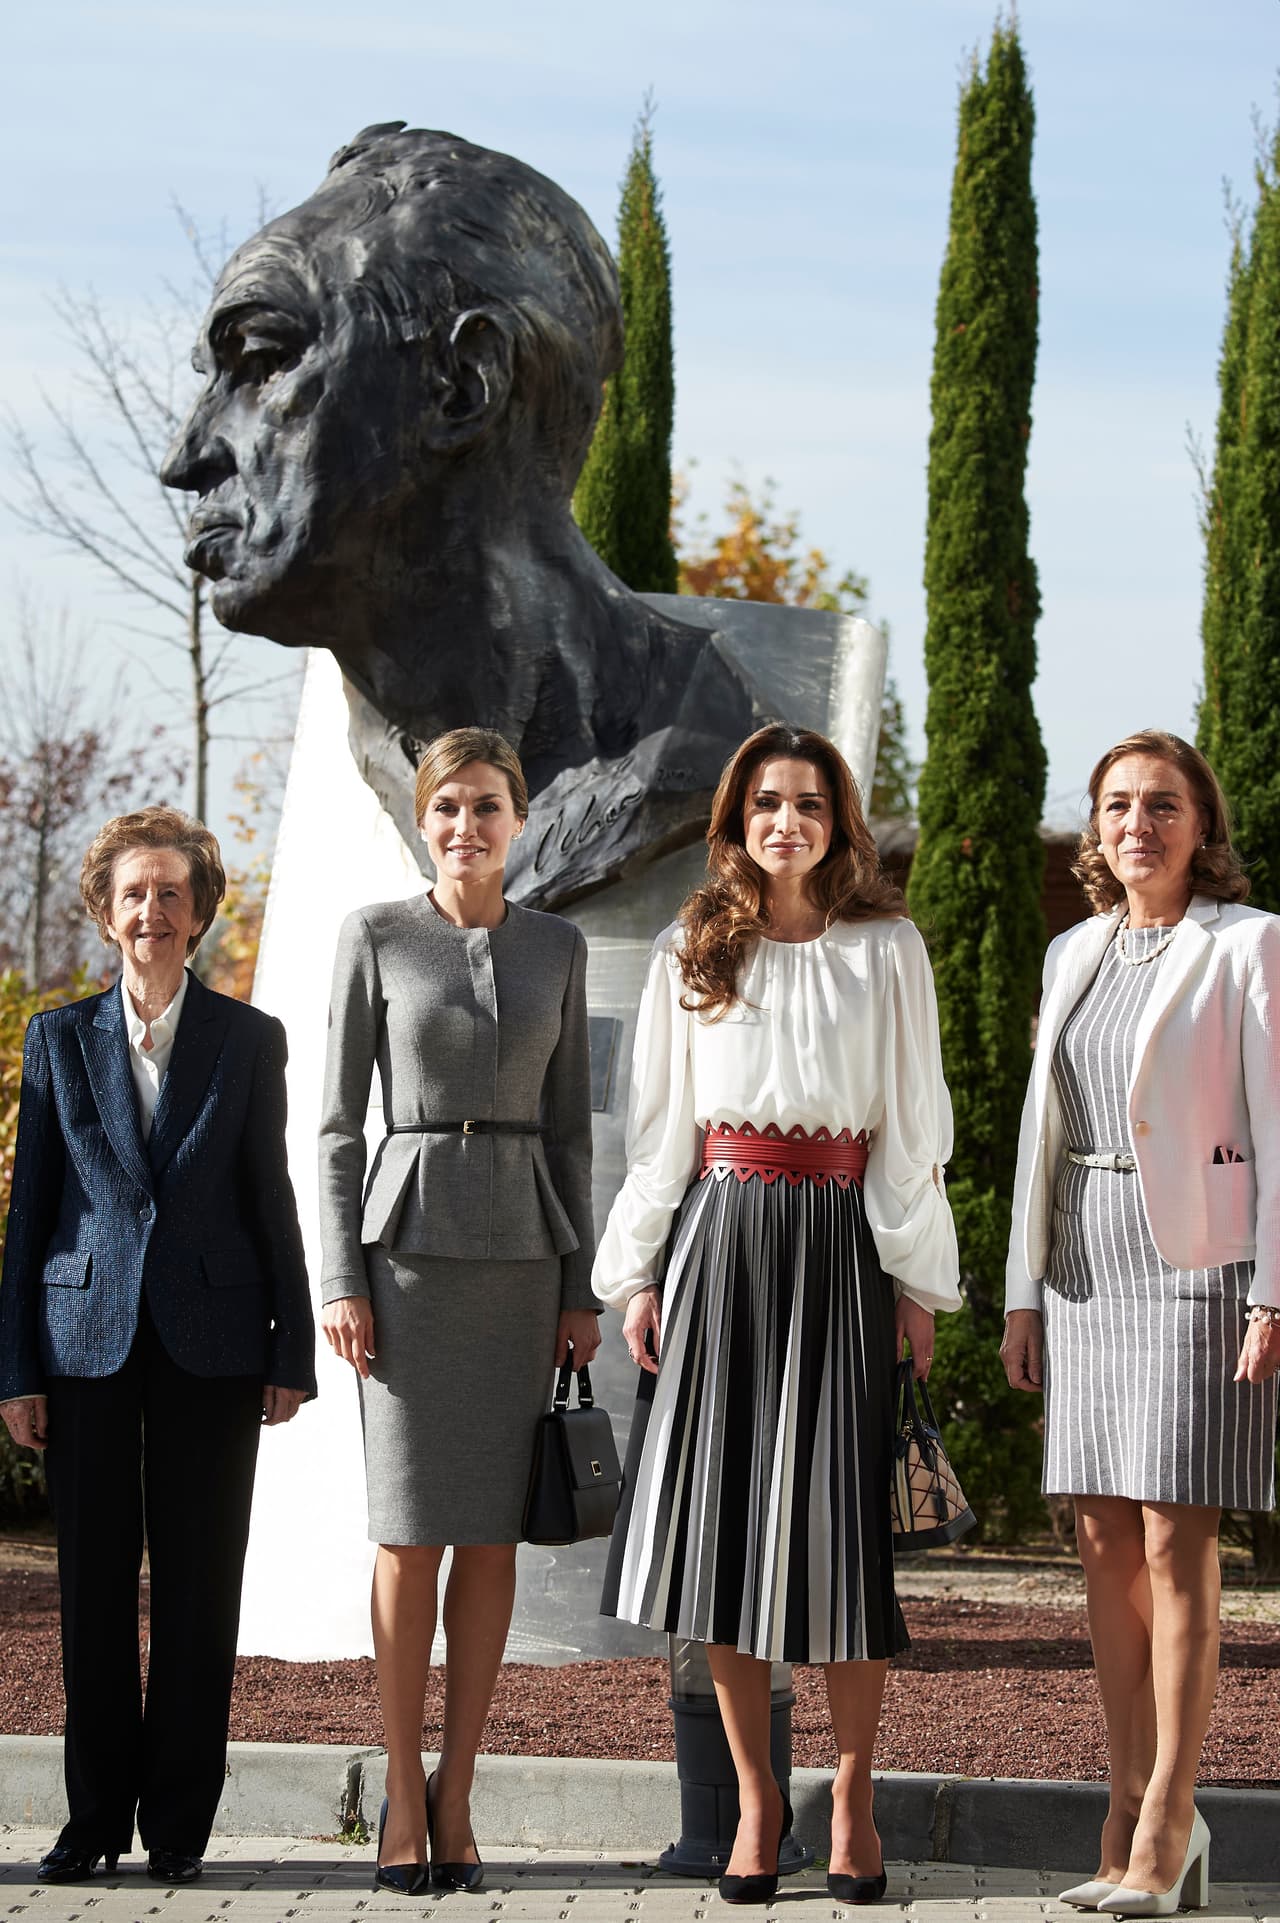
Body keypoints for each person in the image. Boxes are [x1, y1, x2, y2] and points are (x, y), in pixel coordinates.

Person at [159, 123, 759, 909]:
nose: (186, 458)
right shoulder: (378, 750)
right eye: (212, 380)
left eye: (265, 361)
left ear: (463, 383)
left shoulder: (712, 748)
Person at [595, 724, 960, 1908]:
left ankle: (849, 1797)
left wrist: (917, 1281)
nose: (785, 821)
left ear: (838, 818)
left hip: (843, 1247)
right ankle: (757, 1804)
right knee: (725, 1534)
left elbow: (913, 1126)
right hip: (720, 1243)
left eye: (807, 802)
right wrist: (637, 1275)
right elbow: (658, 1135)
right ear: (735, 820)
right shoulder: (690, 950)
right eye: (764, 803)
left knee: (842, 1541)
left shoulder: (886, 948)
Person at [0, 806, 315, 1889]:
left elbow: (270, 1198)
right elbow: (31, 1210)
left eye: (170, 893)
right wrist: (14, 1370)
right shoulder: (56, 1038)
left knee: (197, 1585)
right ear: (105, 912)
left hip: (215, 1342)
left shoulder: (248, 1039)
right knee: (90, 1587)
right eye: (133, 893)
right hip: (81, 1339)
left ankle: (178, 1824)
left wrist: (292, 1349)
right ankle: (90, 1825)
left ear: (199, 913)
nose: (152, 911)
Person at [1001, 729, 1280, 1919]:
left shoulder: (1247, 945)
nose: (1135, 825)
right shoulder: (1071, 952)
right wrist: (1020, 1289)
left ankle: (1168, 1815)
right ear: (1095, 829)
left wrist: (1272, 1285)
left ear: (1198, 826)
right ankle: (1120, 1807)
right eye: (1116, 805)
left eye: (1160, 805)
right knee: (1101, 1547)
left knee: (1175, 1542)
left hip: (1197, 1265)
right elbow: (1037, 1133)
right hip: (1081, 1262)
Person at [318, 726, 599, 1896]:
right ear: (421, 820)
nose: (465, 828)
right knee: (406, 1532)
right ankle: (396, 1782)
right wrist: (338, 1276)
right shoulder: (374, 935)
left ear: (516, 819)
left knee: (490, 1536)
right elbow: (336, 1126)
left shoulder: (558, 946)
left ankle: (458, 1790)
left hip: (524, 1257)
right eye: (446, 810)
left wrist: (579, 1287)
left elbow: (576, 1128)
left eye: (486, 807)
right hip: (407, 1264)